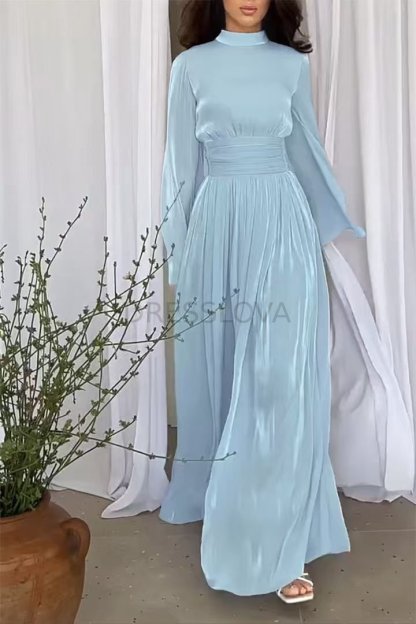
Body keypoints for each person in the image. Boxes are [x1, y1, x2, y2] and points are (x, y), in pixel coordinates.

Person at [158, 0, 366, 604]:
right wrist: (179, 254)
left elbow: (306, 151)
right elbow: (180, 169)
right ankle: (229, 507)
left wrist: (330, 224)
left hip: (282, 226)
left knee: (278, 384)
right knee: (224, 374)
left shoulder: (289, 67)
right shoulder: (190, 67)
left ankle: (280, 546)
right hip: (217, 229)